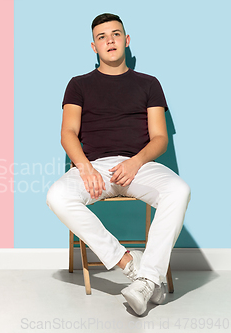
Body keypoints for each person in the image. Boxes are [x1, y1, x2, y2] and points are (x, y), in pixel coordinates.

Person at [46, 13, 190, 316]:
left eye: (115, 34)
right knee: (57, 196)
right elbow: (68, 132)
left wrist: (136, 162)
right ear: (94, 46)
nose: (109, 40)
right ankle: (129, 264)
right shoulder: (79, 84)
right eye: (102, 37)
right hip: (95, 165)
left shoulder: (149, 84)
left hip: (138, 165)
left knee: (178, 190)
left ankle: (148, 280)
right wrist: (84, 167)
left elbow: (160, 138)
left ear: (126, 41)